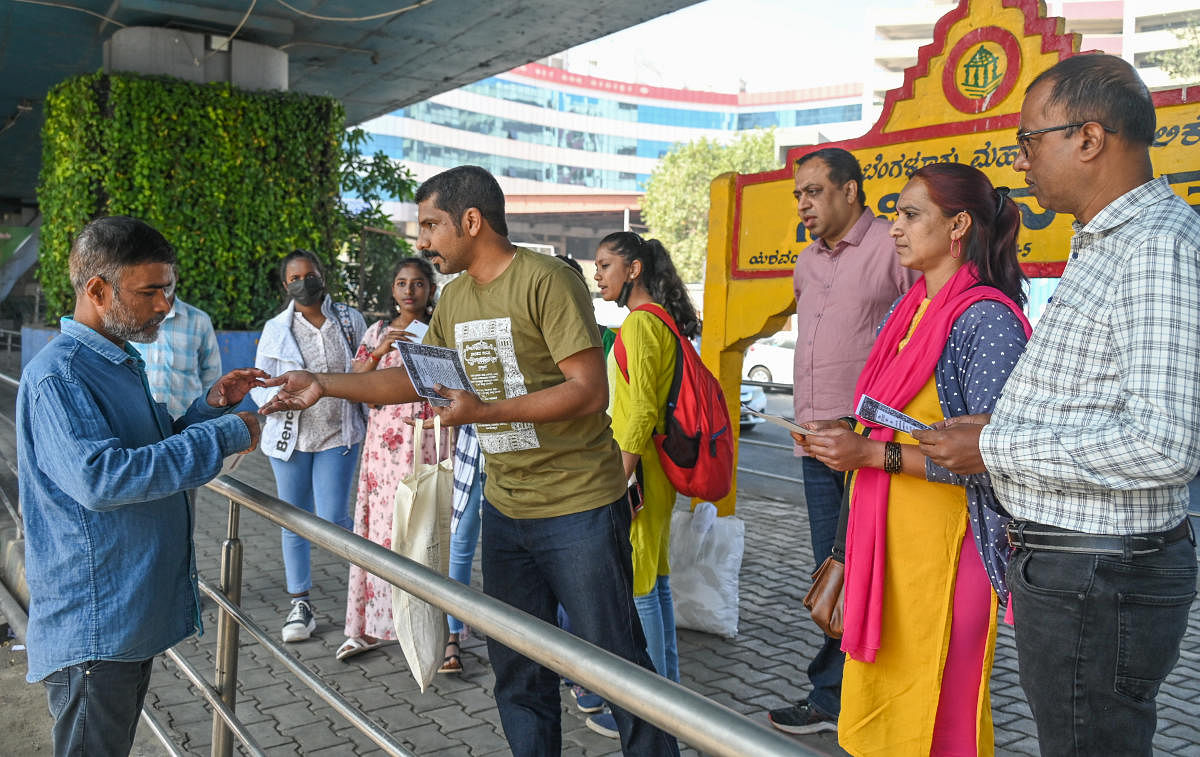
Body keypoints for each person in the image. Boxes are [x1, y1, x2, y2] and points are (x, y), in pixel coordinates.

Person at [257, 165, 679, 757]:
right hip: (507, 512)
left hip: (579, 507)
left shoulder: (546, 279)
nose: (423, 240)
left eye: (431, 224)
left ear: (472, 221)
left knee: (618, 666)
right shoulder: (454, 298)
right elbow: (413, 380)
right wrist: (324, 385)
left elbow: (589, 389)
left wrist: (485, 411)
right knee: (519, 672)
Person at [914, 54, 1200, 755]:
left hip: (1099, 575)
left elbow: (1164, 444)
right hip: (1080, 569)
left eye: (1029, 141)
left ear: (1090, 139)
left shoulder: (1155, 245)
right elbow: (1099, 402)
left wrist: (995, 447)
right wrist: (1003, 424)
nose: (1020, 163)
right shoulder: (1107, 241)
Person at [798, 162, 1030, 755]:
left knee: (940, 705)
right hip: (889, 546)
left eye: (909, 214)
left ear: (958, 226)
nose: (894, 228)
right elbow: (889, 418)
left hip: (950, 551)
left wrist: (870, 452)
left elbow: (997, 459)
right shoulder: (910, 312)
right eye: (897, 214)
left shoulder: (987, 319)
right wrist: (844, 435)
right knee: (884, 699)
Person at [16, 215, 263, 757]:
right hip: (95, 625)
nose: (165, 307)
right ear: (98, 291)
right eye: (151, 291)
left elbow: (149, 448)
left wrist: (208, 409)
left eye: (168, 290)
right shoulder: (58, 376)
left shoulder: (116, 361)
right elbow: (102, 478)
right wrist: (221, 436)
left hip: (122, 615)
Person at [768, 147, 917, 736]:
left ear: (851, 190)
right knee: (830, 572)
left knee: (868, 572)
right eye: (799, 195)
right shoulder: (807, 262)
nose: (804, 204)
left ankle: (848, 698)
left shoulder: (891, 244)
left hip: (867, 444)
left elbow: (920, 328)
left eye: (815, 191)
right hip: (812, 442)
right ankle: (839, 696)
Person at [250, 249, 367, 643]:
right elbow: (259, 384)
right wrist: (273, 400)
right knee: (293, 519)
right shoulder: (275, 328)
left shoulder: (349, 321)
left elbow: (364, 371)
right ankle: (300, 604)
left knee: (334, 517)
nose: (304, 282)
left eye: (310, 274)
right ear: (286, 285)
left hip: (338, 435)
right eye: (295, 277)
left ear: (322, 275)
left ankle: (368, 592)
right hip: (291, 439)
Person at [338, 257, 448, 661]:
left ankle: (432, 629)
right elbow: (358, 385)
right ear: (392, 290)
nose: (409, 291)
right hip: (383, 451)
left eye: (418, 283)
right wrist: (382, 349)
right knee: (381, 531)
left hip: (428, 442)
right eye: (401, 283)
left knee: (424, 531)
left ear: (430, 290)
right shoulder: (376, 331)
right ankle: (370, 626)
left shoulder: (439, 329)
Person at [139, 294, 223, 417]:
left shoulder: (199, 320)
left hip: (185, 421)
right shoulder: (131, 317)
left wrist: (203, 413)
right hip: (141, 420)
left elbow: (212, 373)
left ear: (175, 275)